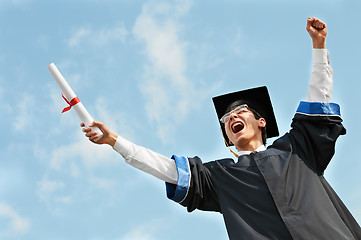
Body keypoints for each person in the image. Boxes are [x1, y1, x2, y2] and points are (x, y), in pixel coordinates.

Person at [81, 17, 361, 239]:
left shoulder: (296, 149)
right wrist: (115, 141)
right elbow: (165, 168)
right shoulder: (221, 176)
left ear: (261, 122)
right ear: (228, 136)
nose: (231, 118)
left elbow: (319, 100)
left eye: (240, 111)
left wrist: (319, 47)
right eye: (226, 119)